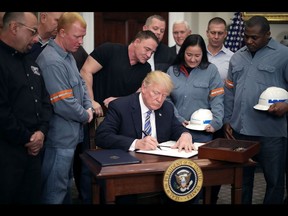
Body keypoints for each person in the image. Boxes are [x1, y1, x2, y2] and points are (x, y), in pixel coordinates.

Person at [95, 70, 195, 204]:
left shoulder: (167, 108)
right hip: (129, 169)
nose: (159, 99)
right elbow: (102, 136)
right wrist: (136, 143)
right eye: (156, 93)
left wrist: (185, 135)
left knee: (189, 186)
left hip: (161, 167)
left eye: (164, 95)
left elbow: (177, 128)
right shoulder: (121, 106)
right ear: (143, 87)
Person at [224, 15, 288, 204]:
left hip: (271, 133)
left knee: (274, 181)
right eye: (246, 36)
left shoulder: (284, 55)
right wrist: (228, 120)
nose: (249, 41)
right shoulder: (237, 57)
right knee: (242, 181)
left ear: (268, 34)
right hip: (240, 132)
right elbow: (229, 91)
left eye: (255, 37)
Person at [36, 12, 94, 204]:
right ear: (61, 32)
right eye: (77, 36)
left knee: (66, 188)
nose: (81, 41)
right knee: (54, 192)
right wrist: (85, 115)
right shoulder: (51, 60)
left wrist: (88, 106)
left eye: (83, 36)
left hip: (70, 137)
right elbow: (62, 103)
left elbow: (82, 86)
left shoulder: (68, 56)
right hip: (58, 139)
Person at [0, 12, 52, 204]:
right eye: (32, 32)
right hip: (8, 154)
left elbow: (45, 101)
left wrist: (41, 132)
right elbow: (2, 113)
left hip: (35, 152)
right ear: (14, 28)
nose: (36, 38)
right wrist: (28, 138)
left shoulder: (31, 62)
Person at [80, 30, 159, 115]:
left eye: (152, 52)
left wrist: (119, 101)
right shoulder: (109, 50)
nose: (149, 55)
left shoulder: (146, 68)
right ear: (137, 42)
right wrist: (90, 101)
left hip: (125, 116)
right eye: (147, 49)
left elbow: (140, 95)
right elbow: (85, 71)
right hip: (98, 113)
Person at [166, 34, 224, 143]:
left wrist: (216, 123)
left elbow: (217, 99)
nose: (193, 59)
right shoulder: (171, 71)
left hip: (202, 134)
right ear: (183, 52)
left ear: (203, 54)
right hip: (176, 131)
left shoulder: (211, 71)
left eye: (197, 55)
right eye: (189, 55)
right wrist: (179, 118)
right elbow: (166, 99)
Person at [206, 16, 234, 204]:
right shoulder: (196, 54)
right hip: (196, 116)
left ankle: (213, 198)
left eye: (220, 33)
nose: (216, 36)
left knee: (215, 162)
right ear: (207, 33)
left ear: (225, 34)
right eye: (212, 32)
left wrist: (228, 119)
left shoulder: (233, 58)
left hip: (220, 116)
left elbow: (233, 91)